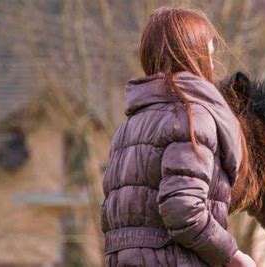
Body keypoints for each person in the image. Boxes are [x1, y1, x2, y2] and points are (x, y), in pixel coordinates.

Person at [100, 6, 256, 267]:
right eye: (208, 49)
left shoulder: (128, 127)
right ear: (193, 53)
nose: (212, 58)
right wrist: (232, 256)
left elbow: (112, 220)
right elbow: (183, 209)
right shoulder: (191, 117)